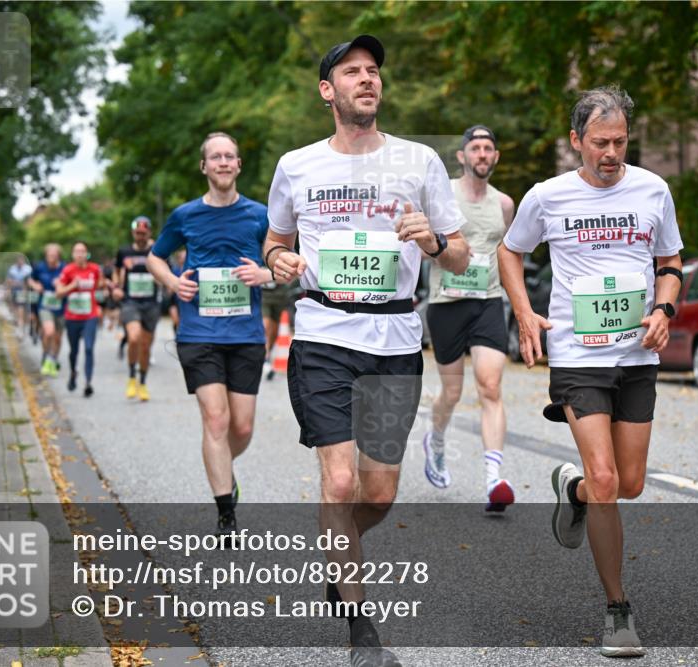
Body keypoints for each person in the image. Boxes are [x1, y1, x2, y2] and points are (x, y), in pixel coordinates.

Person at [264, 35, 469, 667]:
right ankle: (362, 634)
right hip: (323, 336)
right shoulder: (297, 166)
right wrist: (280, 260)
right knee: (340, 479)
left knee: (377, 495)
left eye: (373, 70)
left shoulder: (419, 161)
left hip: (395, 341)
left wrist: (434, 242)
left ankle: (338, 550)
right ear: (328, 90)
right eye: (352, 71)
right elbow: (273, 243)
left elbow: (462, 257)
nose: (366, 79)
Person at [499, 85, 684, 658]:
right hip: (578, 357)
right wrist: (524, 312)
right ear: (576, 140)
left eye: (620, 141)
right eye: (600, 142)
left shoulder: (652, 189)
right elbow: (509, 251)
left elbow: (670, 261)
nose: (611, 153)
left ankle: (572, 491)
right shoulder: (547, 196)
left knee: (628, 484)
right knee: (606, 479)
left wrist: (664, 309)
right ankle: (617, 610)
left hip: (636, 355)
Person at [147, 131, 273, 539]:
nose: (222, 162)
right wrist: (172, 282)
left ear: (238, 165)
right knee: (216, 419)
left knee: (242, 428)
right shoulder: (185, 216)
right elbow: (154, 257)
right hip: (198, 331)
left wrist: (264, 274)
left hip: (246, 333)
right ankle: (225, 513)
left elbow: (287, 260)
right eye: (215, 157)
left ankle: (222, 468)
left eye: (229, 156)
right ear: (204, 166)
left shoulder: (260, 215)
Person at [423, 124, 516, 511]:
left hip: (488, 302)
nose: (482, 154)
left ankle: (494, 479)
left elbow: (507, 255)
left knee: (490, 387)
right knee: (452, 392)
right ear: (462, 156)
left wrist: (521, 306)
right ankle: (435, 439)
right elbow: (424, 247)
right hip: (447, 302)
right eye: (475, 148)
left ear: (495, 157)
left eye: (488, 149)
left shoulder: (504, 204)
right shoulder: (442, 194)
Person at [115, 217, 160, 402]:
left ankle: (142, 382)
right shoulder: (124, 252)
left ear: (149, 233)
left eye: (143, 233)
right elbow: (117, 271)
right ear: (133, 233)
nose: (140, 236)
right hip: (130, 302)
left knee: (145, 346)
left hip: (151, 303)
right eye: (137, 233)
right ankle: (131, 377)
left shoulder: (157, 251)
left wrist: (161, 279)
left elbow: (166, 271)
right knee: (134, 338)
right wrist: (116, 288)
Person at [54, 242, 103, 397]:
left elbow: (100, 284)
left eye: (82, 251)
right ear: (73, 254)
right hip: (72, 317)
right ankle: (73, 372)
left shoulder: (94, 269)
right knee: (73, 351)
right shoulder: (68, 270)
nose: (80, 254)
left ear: (87, 254)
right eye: (77, 251)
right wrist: (72, 285)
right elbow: (58, 293)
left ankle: (88, 382)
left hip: (90, 316)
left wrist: (105, 289)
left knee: (89, 348)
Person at [28, 243, 66, 377]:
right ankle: (46, 356)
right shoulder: (40, 267)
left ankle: (53, 359)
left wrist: (62, 286)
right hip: (44, 305)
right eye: (50, 255)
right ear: (46, 255)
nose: (52, 258)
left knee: (58, 338)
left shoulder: (64, 268)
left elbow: (71, 282)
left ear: (58, 256)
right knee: (49, 332)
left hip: (61, 307)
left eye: (54, 255)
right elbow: (30, 280)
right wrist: (35, 285)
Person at [6, 256, 32, 338]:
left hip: (25, 292)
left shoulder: (28, 269)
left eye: (21, 261)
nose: (20, 262)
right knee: (17, 311)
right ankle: (20, 328)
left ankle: (22, 328)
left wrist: (20, 284)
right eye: (18, 261)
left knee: (23, 312)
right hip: (15, 292)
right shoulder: (12, 269)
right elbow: (9, 281)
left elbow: (30, 282)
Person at [168, 249, 187, 339]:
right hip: (174, 301)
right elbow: (169, 287)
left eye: (185, 257)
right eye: (181, 257)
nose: (183, 259)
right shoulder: (174, 271)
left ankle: (181, 337)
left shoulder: (190, 270)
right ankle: (176, 336)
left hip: (186, 301)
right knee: (176, 320)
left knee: (183, 321)